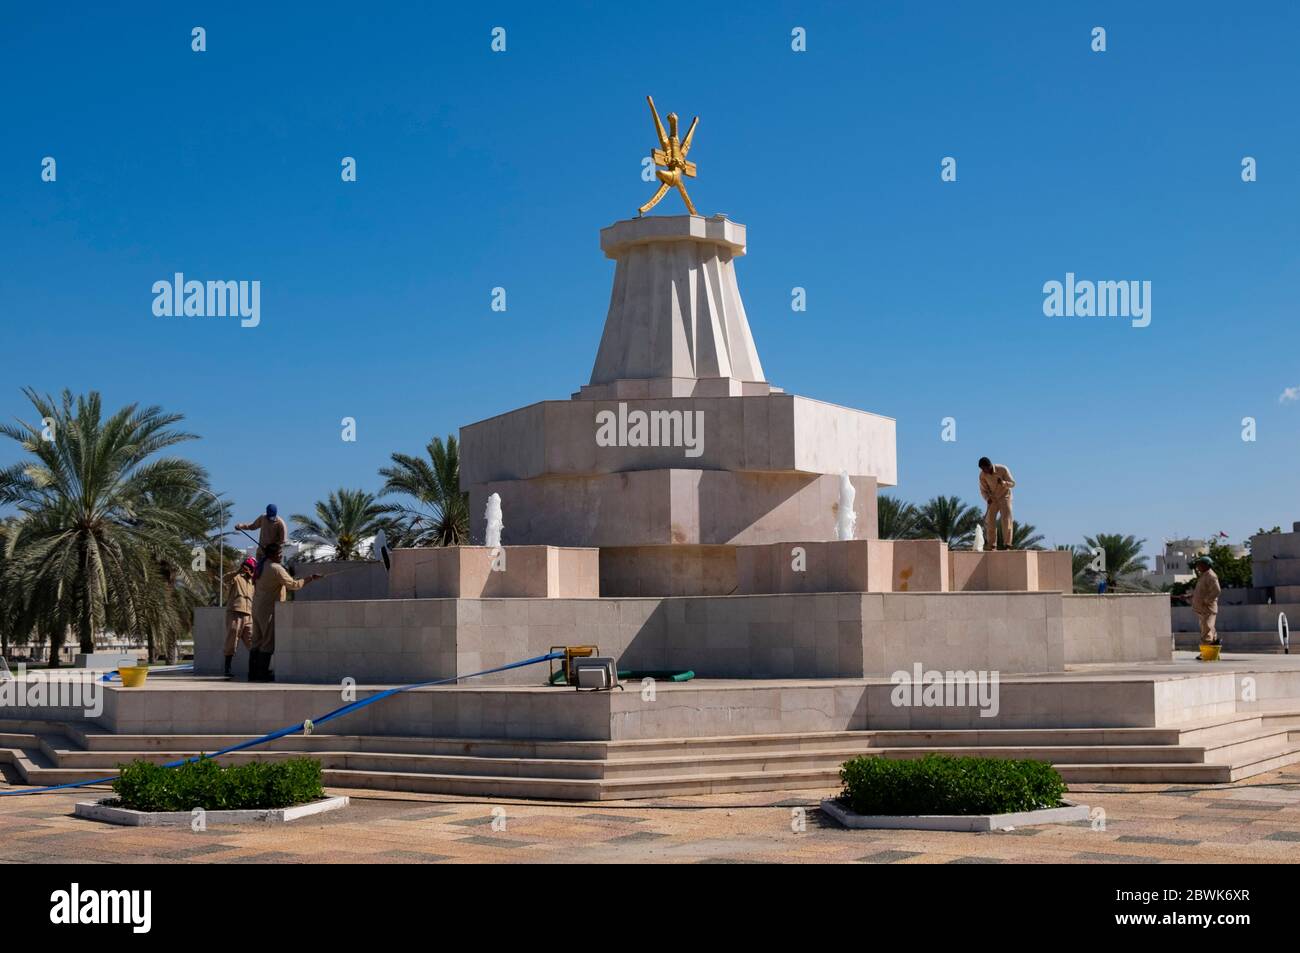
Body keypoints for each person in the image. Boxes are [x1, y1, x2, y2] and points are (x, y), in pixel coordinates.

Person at [248, 543, 320, 682]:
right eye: (279, 554)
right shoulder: (276, 568)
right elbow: (293, 585)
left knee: (256, 641)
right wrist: (310, 578)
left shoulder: (261, 565)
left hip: (256, 608)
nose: (281, 556)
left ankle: (253, 673)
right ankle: (262, 674)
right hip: (268, 610)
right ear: (273, 555)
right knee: (267, 642)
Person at [221, 557, 256, 678]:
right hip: (235, 613)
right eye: (246, 566)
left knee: (253, 642)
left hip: (248, 615)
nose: (248, 569)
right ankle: (227, 669)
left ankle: (255, 669)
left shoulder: (253, 582)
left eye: (250, 567)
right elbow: (225, 578)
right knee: (232, 639)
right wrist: (237, 571)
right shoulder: (236, 578)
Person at [978, 457, 1016, 550]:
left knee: (1006, 519)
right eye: (981, 469)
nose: (983, 470)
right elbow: (983, 490)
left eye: (984, 468)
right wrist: (987, 498)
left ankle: (1007, 544)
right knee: (990, 521)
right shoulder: (982, 475)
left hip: (1005, 496)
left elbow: (1013, 483)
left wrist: (1003, 483)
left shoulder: (1002, 469)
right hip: (993, 498)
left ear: (989, 465)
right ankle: (992, 545)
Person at [1187, 555, 1221, 649]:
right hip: (1202, 609)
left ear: (1206, 565)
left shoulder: (1211, 576)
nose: (1198, 566)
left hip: (1208, 609)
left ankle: (1207, 650)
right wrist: (1190, 596)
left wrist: (1206, 601)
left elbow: (1217, 590)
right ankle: (1212, 650)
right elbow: (1202, 591)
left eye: (1199, 564)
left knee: (1207, 629)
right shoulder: (1204, 575)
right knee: (1207, 629)